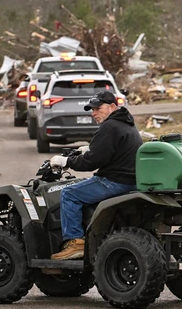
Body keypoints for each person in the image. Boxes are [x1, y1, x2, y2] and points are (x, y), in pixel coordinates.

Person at [50, 90, 142, 260]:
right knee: (86, 185)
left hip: (114, 181)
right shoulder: (126, 124)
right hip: (131, 181)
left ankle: (75, 242)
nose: (93, 113)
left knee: (69, 194)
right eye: (92, 110)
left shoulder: (109, 126)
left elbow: (92, 162)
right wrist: (87, 151)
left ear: (112, 107)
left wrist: (67, 162)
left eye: (97, 109)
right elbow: (108, 152)